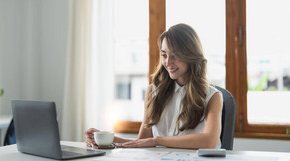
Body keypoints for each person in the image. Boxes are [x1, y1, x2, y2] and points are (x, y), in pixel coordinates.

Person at [85, 23, 223, 149]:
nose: (168, 62)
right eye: (164, 55)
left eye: (174, 55)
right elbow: (144, 141)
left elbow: (209, 141)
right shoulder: (153, 91)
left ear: (190, 55)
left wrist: (158, 140)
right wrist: (107, 139)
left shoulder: (213, 96)